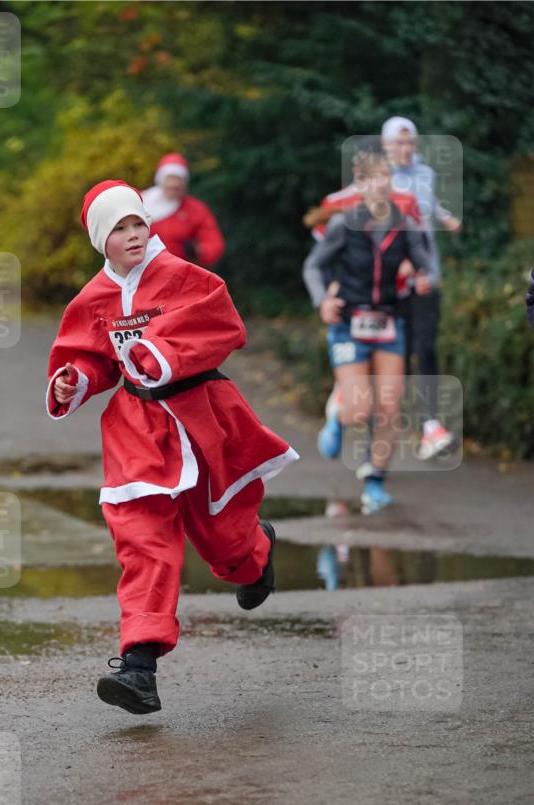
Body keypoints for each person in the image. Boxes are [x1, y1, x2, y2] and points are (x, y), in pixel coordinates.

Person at [47, 180, 298, 715]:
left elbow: (224, 326)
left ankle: (255, 554)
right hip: (137, 430)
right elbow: (92, 359)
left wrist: (162, 353)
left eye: (139, 222)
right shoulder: (93, 299)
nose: (134, 234)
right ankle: (139, 666)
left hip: (202, 418)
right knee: (143, 541)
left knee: (223, 540)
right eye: (120, 229)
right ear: (101, 240)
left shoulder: (187, 278)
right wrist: (75, 379)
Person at [302, 150, 432, 514]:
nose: (379, 184)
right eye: (371, 178)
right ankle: (338, 416)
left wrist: (423, 278)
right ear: (359, 184)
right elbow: (313, 266)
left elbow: (428, 265)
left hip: (390, 321)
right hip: (348, 322)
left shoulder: (404, 223)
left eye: (384, 177)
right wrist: (322, 302)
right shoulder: (344, 224)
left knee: (389, 407)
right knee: (360, 410)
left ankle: (374, 481)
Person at [381, 116, 462, 460]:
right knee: (394, 355)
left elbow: (426, 208)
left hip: (427, 276)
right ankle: (381, 427)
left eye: (410, 142)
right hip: (389, 283)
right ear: (385, 146)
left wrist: (445, 218)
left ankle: (430, 427)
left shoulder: (425, 174)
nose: (405, 149)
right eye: (398, 143)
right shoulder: (378, 181)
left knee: (425, 349)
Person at [141, 153, 225, 267]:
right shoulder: (142, 203)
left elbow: (214, 243)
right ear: (161, 180)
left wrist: (199, 251)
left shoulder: (195, 209)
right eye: (170, 179)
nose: (174, 184)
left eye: (179, 179)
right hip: (144, 270)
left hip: (180, 272)